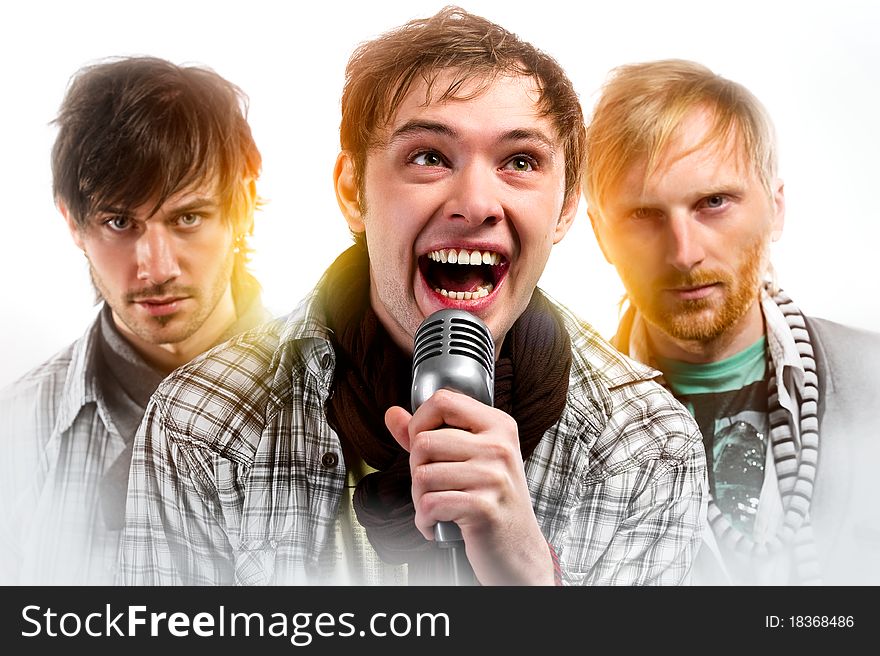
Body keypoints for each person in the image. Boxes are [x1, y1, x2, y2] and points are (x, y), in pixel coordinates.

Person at [120, 7, 705, 586]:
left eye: (519, 162)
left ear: (567, 209)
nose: (475, 203)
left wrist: (528, 577)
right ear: (353, 192)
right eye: (429, 157)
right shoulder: (200, 426)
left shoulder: (646, 446)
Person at [585, 59, 880, 585]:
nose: (684, 253)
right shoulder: (559, 431)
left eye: (713, 202)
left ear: (776, 207)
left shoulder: (874, 379)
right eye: (644, 215)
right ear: (601, 234)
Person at [0, 57, 270, 584]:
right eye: (120, 222)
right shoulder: (16, 435)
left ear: (240, 205)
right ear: (71, 223)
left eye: (187, 218)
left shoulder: (343, 404)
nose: (156, 268)